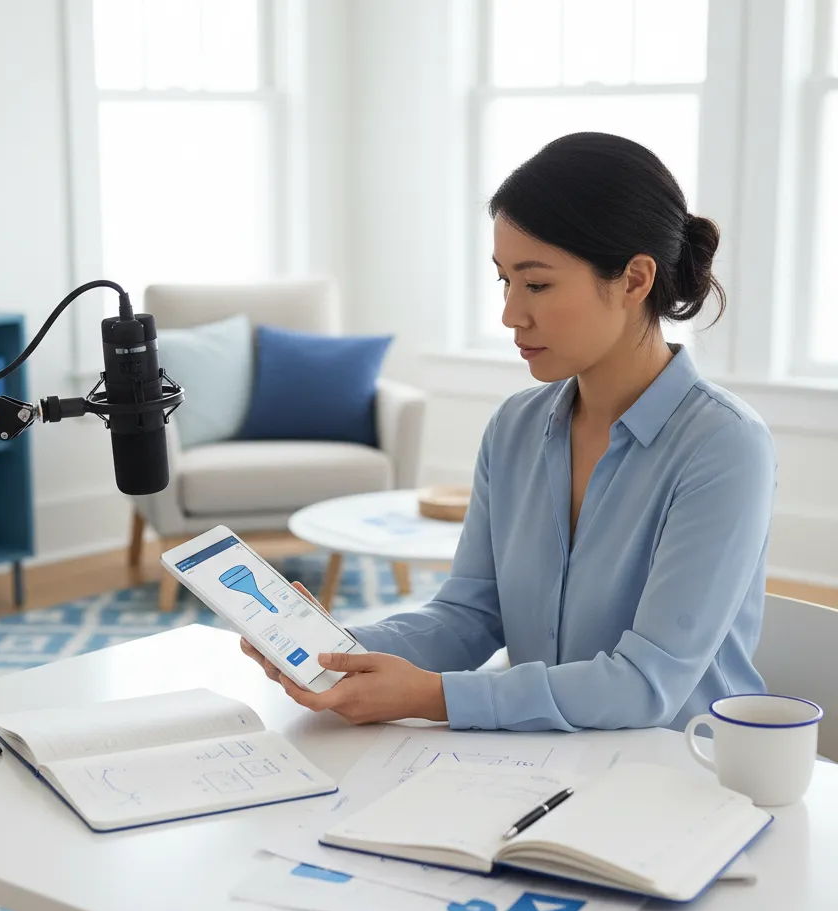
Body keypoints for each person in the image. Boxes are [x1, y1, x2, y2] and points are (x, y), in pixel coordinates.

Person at [241, 132, 776, 733]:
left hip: (680, 776)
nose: (510, 314)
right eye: (505, 281)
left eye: (537, 283)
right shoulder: (515, 428)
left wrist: (435, 698)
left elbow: (644, 684)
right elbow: (470, 617)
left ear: (633, 280)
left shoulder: (724, 447)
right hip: (543, 762)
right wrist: (334, 649)